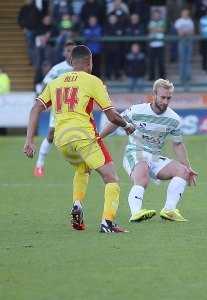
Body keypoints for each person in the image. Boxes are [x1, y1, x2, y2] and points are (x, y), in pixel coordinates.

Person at [23, 45, 135, 233]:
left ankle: (77, 206)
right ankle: (107, 223)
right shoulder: (93, 81)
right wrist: (127, 126)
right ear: (89, 62)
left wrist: (29, 141)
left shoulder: (55, 82)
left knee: (83, 168)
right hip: (83, 135)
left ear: (71, 62)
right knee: (111, 177)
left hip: (61, 139)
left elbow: (35, 108)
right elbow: (112, 116)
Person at [100, 79, 198, 222]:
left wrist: (188, 167)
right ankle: (136, 212)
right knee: (143, 175)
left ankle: (169, 210)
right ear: (154, 94)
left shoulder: (173, 119)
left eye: (168, 98)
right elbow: (116, 121)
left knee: (182, 171)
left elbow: (177, 144)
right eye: (162, 97)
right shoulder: (137, 110)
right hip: (135, 152)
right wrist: (99, 137)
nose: (165, 101)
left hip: (155, 157)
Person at [34, 41, 76, 177]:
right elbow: (45, 84)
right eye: (68, 50)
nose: (70, 53)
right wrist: (41, 99)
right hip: (59, 108)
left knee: (82, 135)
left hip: (77, 108)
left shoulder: (81, 68)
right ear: (64, 53)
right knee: (51, 135)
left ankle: (87, 166)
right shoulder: (57, 69)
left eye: (72, 50)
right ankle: (39, 165)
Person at [17, 0, 42, 64]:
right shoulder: (23, 9)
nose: (28, 1)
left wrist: (38, 30)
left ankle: (35, 60)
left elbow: (39, 20)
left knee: (34, 46)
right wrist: (23, 28)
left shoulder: (35, 9)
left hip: (35, 30)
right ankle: (32, 60)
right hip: (28, 30)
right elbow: (19, 19)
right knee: (30, 46)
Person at [174, 8, 195, 83]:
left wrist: (185, 32)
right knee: (182, 59)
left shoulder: (190, 21)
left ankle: (188, 76)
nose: (185, 14)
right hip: (182, 41)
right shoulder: (178, 21)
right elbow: (179, 32)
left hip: (189, 41)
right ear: (181, 13)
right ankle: (182, 77)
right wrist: (185, 32)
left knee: (188, 59)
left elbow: (192, 31)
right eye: (184, 13)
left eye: (187, 13)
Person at [148, 9, 166, 81]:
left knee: (161, 62)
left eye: (157, 14)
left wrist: (155, 29)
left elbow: (162, 30)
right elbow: (150, 30)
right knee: (151, 62)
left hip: (160, 44)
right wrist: (157, 29)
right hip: (152, 44)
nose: (156, 16)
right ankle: (151, 77)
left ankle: (162, 78)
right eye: (155, 15)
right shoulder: (150, 22)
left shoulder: (162, 22)